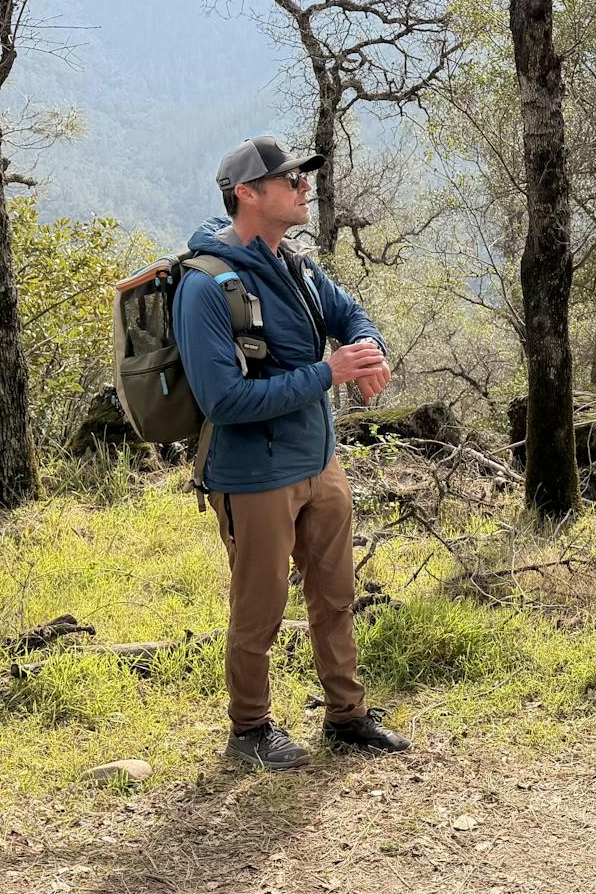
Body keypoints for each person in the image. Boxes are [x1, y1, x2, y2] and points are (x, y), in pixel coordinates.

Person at [174, 135, 412, 769]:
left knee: (335, 596)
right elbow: (224, 400)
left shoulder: (298, 266)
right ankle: (249, 730)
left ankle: (346, 716)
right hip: (253, 475)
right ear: (247, 194)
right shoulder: (205, 288)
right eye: (290, 180)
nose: (305, 187)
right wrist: (329, 373)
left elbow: (352, 315)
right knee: (260, 609)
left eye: (302, 178)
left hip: (319, 463)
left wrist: (368, 354)